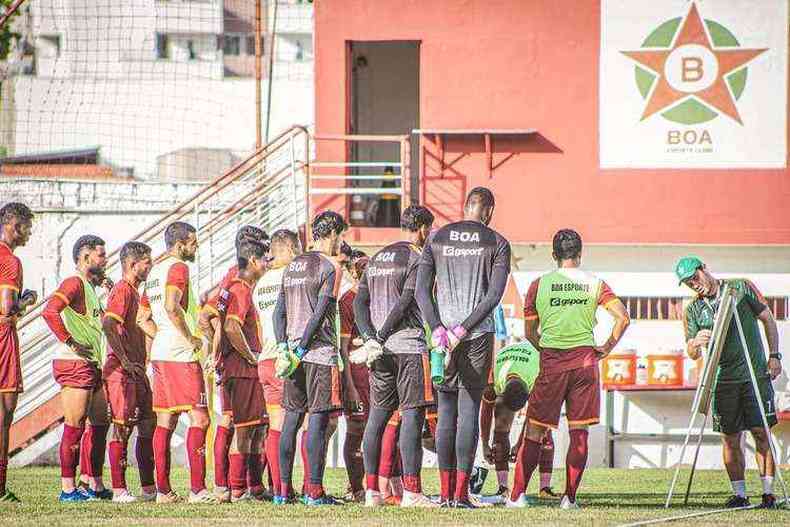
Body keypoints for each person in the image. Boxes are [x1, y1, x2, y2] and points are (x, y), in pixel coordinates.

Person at [512, 229, 630, 510]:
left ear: (554, 256)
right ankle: (570, 499)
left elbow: (530, 332)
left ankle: (516, 497)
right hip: (585, 363)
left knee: (534, 432)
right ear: (580, 254)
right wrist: (607, 347)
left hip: (552, 362)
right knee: (579, 433)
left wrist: (547, 349)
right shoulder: (595, 283)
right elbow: (623, 317)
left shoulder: (538, 285)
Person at [415, 187, 511, 508]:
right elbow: (493, 296)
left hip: (441, 339)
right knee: (468, 410)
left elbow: (421, 292)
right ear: (490, 211)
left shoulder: (437, 238)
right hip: (476, 337)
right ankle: (460, 495)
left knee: (445, 413)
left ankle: (444, 494)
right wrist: (463, 329)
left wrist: (439, 328)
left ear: (465, 207)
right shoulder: (497, 242)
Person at [677, 256, 782, 509]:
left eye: (695, 277)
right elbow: (690, 352)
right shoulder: (693, 309)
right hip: (722, 380)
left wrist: (774, 356)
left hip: (754, 373)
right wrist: (695, 343)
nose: (694, 284)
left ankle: (768, 493)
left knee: (761, 432)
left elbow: (768, 319)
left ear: (704, 269)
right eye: (688, 283)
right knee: (730, 438)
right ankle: (740, 495)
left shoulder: (740, 287)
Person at [353, 204, 436, 507]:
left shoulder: (376, 259)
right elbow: (406, 302)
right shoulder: (418, 256)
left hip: (380, 352)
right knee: (412, 417)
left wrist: (370, 337)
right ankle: (412, 492)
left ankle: (372, 491)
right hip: (408, 347)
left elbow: (359, 303)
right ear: (424, 228)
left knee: (377, 418)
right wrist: (383, 334)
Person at [273, 211, 346, 506]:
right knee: (317, 418)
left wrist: (284, 347)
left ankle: (281, 491)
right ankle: (313, 491)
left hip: (291, 354)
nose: (340, 243)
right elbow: (320, 312)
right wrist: (304, 346)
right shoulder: (329, 267)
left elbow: (279, 312)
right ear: (331, 235)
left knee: (291, 420)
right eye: (340, 237)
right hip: (318, 353)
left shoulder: (291, 267)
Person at [145, 221, 214, 503]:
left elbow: (142, 317)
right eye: (193, 242)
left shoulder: (153, 272)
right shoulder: (177, 267)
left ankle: (163, 491)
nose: (195, 247)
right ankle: (197, 489)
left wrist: (162, 335)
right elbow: (172, 307)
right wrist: (191, 338)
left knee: (166, 419)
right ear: (180, 244)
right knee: (200, 418)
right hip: (181, 355)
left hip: (161, 352)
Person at [200, 225, 268, 502]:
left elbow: (207, 317)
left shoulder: (229, 282)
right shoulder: (239, 284)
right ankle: (237, 487)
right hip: (241, 368)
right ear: (251, 255)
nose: (268, 260)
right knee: (242, 427)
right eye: (264, 252)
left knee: (241, 425)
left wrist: (215, 353)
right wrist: (250, 355)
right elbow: (227, 325)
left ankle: (236, 487)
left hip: (229, 366)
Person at [43, 235, 113, 501]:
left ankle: (93, 483)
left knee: (99, 424)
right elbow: (50, 311)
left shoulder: (90, 287)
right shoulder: (73, 282)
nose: (105, 260)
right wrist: (70, 341)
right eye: (101, 255)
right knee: (74, 425)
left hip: (91, 364)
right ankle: (68, 489)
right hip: (74, 363)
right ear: (85, 258)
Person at [101, 241, 158, 503]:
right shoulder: (122, 291)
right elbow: (109, 324)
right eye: (147, 261)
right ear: (133, 264)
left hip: (138, 370)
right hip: (122, 371)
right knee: (121, 429)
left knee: (148, 425)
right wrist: (123, 360)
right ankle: (119, 489)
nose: (150, 265)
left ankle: (148, 489)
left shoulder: (136, 292)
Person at [253, 229, 301, 504]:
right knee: (304, 424)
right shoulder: (290, 276)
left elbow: (261, 326)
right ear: (291, 249)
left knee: (276, 426)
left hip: (266, 359)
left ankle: (279, 489)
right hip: (287, 358)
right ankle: (305, 487)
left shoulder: (261, 283)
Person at [0, 203, 36, 503]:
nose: (30, 233)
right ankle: (0, 487)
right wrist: (27, 301)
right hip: (2, 337)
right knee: (4, 412)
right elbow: (7, 308)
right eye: (28, 227)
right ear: (15, 226)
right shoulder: (10, 260)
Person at [338, 251, 369, 503]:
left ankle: (378, 486)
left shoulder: (380, 298)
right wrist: (348, 385)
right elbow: (343, 347)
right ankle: (356, 487)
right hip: (356, 376)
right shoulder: (348, 300)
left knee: (381, 429)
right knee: (357, 428)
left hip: (377, 374)